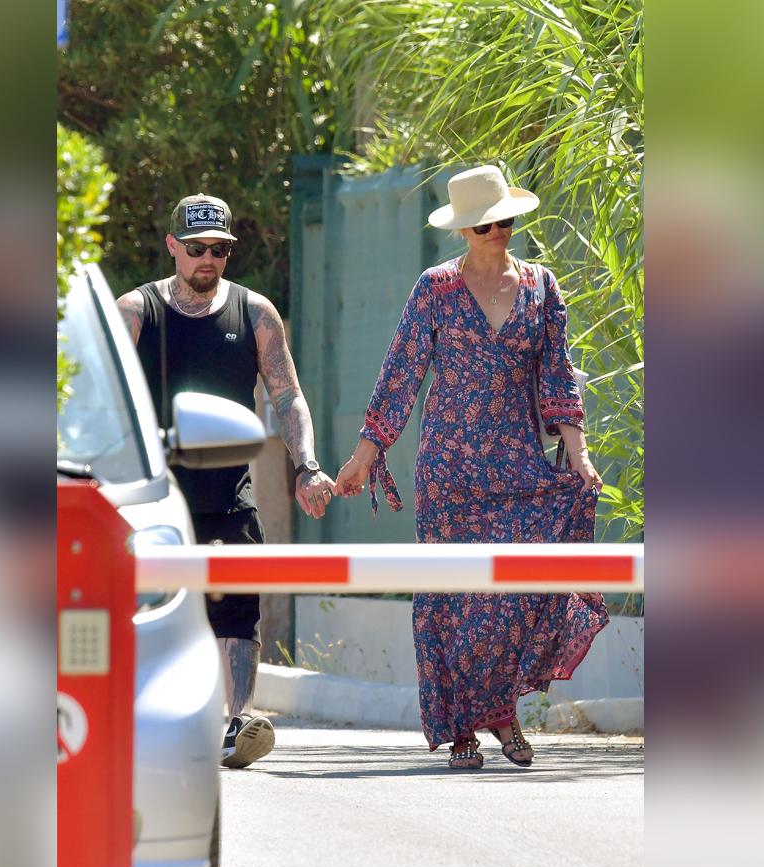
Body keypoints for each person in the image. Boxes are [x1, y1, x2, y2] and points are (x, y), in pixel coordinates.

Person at [333, 165, 610, 769]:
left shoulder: (542, 286)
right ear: (463, 228)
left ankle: (501, 712)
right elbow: (399, 377)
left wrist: (579, 454)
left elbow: (557, 376)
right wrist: (363, 459)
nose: (498, 229)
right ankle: (466, 729)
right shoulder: (433, 289)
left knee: (510, 594)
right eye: (486, 222)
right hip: (448, 472)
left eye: (506, 218)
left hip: (517, 465)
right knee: (456, 599)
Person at [118, 194, 338, 769]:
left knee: (238, 609)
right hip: (151, 496)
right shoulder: (137, 313)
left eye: (219, 250)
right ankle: (138, 718)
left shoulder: (255, 313)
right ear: (172, 247)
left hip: (228, 491)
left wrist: (307, 465)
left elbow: (287, 397)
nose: (208, 260)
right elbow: (101, 399)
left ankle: (236, 724)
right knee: (142, 609)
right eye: (197, 250)